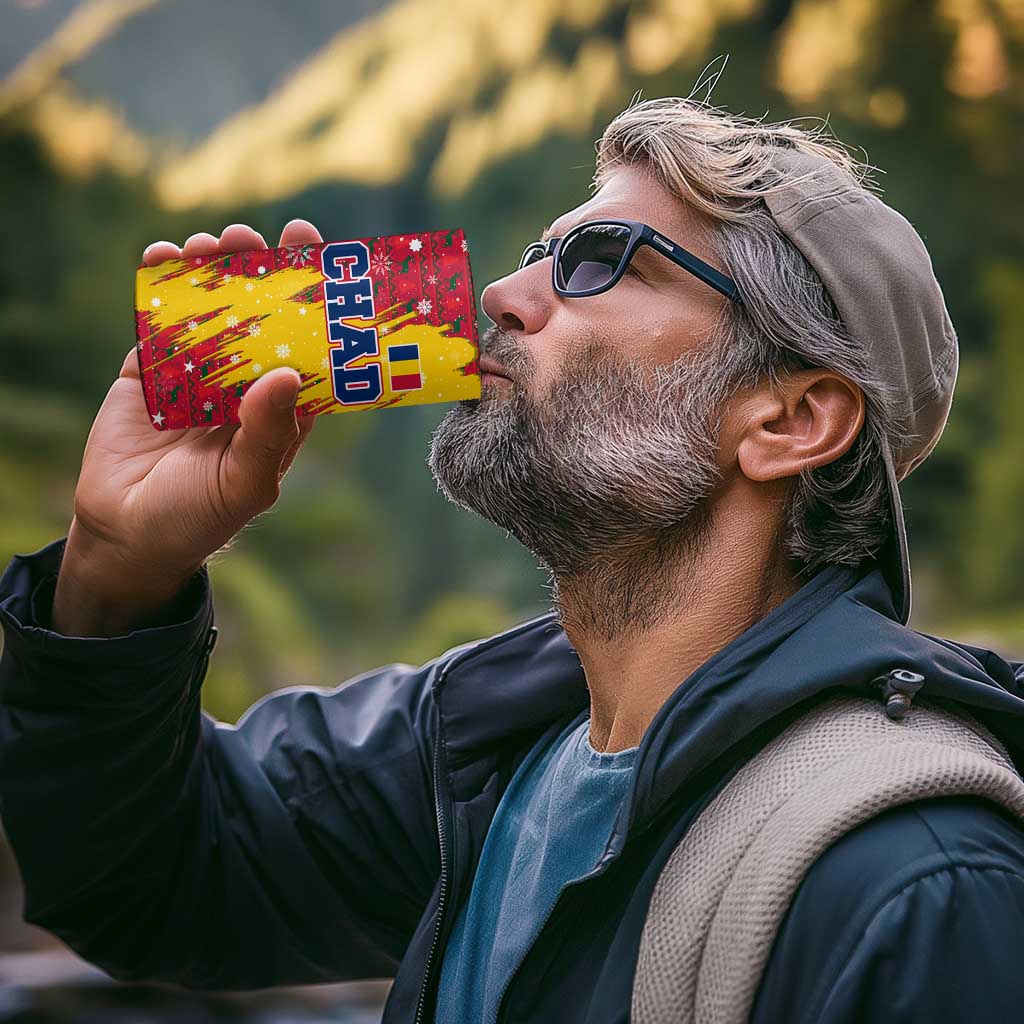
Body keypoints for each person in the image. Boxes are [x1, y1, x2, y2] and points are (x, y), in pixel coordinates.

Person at [2, 95, 1024, 1024]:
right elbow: (149, 880)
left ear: (791, 419)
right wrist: (116, 571)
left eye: (599, 261)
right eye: (540, 252)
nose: (501, 293)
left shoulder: (918, 884)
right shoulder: (479, 750)